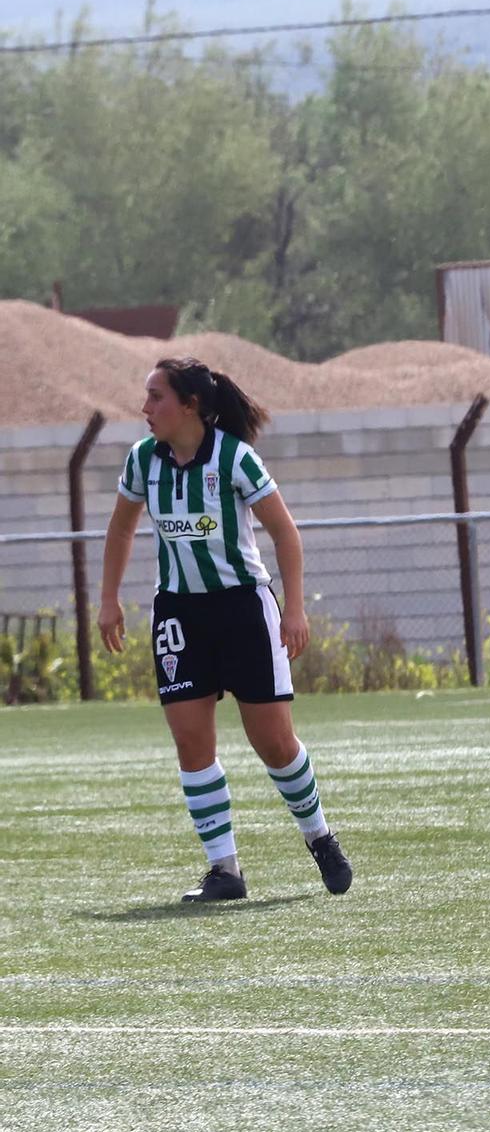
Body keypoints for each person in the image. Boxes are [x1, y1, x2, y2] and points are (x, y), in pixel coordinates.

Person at [97, 357, 353, 904]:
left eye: (156, 397)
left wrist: (295, 609)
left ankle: (320, 836)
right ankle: (224, 870)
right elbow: (120, 529)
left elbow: (285, 534)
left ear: (189, 405)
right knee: (190, 739)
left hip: (243, 610)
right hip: (179, 615)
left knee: (274, 742)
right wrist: (108, 600)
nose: (145, 408)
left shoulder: (235, 458)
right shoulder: (144, 460)